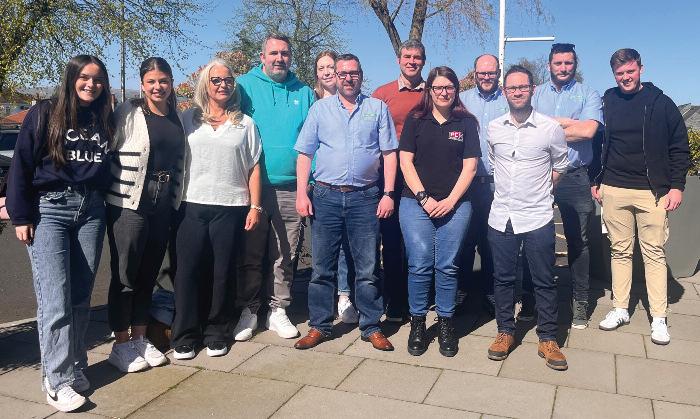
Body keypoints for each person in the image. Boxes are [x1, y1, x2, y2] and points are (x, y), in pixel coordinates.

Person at [6, 55, 115, 412]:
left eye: (98, 79)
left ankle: (75, 365)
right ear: (71, 78)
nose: (91, 85)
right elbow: (22, 164)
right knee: (56, 298)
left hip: (92, 210)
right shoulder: (44, 113)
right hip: (50, 210)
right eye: (85, 77)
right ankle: (56, 380)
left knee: (80, 296)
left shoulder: (103, 118)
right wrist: (21, 216)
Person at [294, 53, 398, 351]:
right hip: (325, 196)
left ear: (361, 75)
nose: (348, 78)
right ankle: (319, 325)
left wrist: (388, 193)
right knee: (322, 268)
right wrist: (302, 193)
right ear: (336, 77)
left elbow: (389, 153)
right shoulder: (320, 110)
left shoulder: (377, 108)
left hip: (365, 197)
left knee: (368, 267)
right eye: (343, 73)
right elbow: (305, 153)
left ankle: (371, 325)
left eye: (354, 73)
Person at [593, 48, 690, 345]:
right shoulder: (607, 101)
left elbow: (679, 146)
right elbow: (597, 142)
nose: (625, 77)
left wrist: (677, 186)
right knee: (620, 251)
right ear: (614, 75)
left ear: (641, 69)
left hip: (653, 192)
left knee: (654, 253)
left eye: (630, 71)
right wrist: (596, 180)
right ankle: (620, 308)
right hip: (614, 188)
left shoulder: (661, 103)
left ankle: (658, 317)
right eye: (620, 73)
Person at [171, 59, 262, 359]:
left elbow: (254, 167)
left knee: (222, 273)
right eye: (216, 80)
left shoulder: (245, 124)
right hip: (191, 205)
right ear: (205, 85)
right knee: (187, 272)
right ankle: (185, 334)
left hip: (231, 206)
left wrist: (255, 206)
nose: (223, 85)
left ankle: (216, 332)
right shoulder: (188, 119)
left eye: (228, 80)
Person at [485, 65, 569, 371]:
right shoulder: (494, 128)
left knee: (544, 280)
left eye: (522, 87)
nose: (517, 92)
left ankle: (548, 338)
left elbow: (560, 166)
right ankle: (505, 332)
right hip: (502, 217)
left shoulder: (550, 128)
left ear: (532, 89)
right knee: (503, 279)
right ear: (504, 92)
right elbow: (494, 163)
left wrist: (541, 192)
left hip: (537, 216)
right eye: (512, 88)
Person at [105, 57, 185, 372]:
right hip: (129, 202)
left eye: (163, 81)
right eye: (151, 81)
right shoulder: (128, 112)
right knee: (125, 275)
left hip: (162, 205)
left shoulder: (176, 116)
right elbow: (108, 149)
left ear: (171, 83)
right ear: (142, 84)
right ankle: (121, 343)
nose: (157, 87)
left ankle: (139, 337)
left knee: (149, 275)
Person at [235, 33, 315, 341]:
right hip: (252, 187)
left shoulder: (304, 93)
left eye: (284, 53)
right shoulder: (244, 86)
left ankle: (277, 309)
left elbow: (315, 140)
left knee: (284, 253)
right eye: (274, 53)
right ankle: (249, 309)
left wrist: (308, 184)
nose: (279, 58)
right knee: (251, 251)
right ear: (262, 56)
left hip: (291, 188)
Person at [399, 66, 480, 357]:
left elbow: (470, 167)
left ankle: (446, 321)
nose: (443, 92)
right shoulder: (416, 119)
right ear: (429, 91)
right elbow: (405, 162)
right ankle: (418, 322)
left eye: (449, 87)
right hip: (415, 202)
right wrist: (424, 198)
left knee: (447, 264)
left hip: (455, 204)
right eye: (438, 88)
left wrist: (450, 201)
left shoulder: (466, 122)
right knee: (419, 263)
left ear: (456, 90)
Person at [528, 43, 603, 329]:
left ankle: (580, 300)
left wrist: (548, 127)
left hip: (575, 176)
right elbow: (528, 130)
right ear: (549, 65)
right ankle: (534, 299)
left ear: (575, 64)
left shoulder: (588, 94)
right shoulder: (536, 94)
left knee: (578, 241)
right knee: (535, 238)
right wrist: (568, 124)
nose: (563, 68)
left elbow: (588, 131)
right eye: (558, 63)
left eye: (568, 63)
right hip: (539, 175)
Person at [371, 39, 427, 322]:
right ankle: (395, 299)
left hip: (423, 173)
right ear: (399, 59)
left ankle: (421, 296)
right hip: (390, 174)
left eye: (417, 57)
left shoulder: (433, 92)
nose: (412, 61)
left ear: (423, 61)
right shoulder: (382, 94)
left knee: (419, 238)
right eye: (407, 56)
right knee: (392, 238)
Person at [311, 50, 360, 324]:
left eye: (331, 66)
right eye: (322, 68)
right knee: (324, 248)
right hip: (320, 184)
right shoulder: (313, 102)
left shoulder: (357, 103)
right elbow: (305, 146)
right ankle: (322, 307)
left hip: (351, 188)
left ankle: (344, 295)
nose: (327, 72)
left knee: (347, 248)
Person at [458, 54, 509, 316]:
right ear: (475, 73)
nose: (487, 77)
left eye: (491, 73)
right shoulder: (461, 100)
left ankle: (491, 291)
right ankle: (462, 289)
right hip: (466, 183)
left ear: (498, 73)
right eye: (482, 73)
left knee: (493, 241)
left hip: (498, 184)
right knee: (464, 240)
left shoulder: (508, 99)